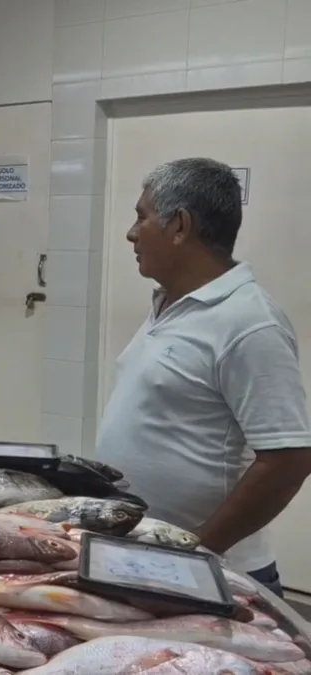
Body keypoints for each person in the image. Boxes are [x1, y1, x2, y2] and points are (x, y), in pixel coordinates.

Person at [95, 157, 311, 597]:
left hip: (213, 573)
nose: (131, 233)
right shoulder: (170, 303)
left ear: (180, 225)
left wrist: (197, 548)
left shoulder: (250, 322)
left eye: (141, 217)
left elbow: (290, 459)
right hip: (150, 557)